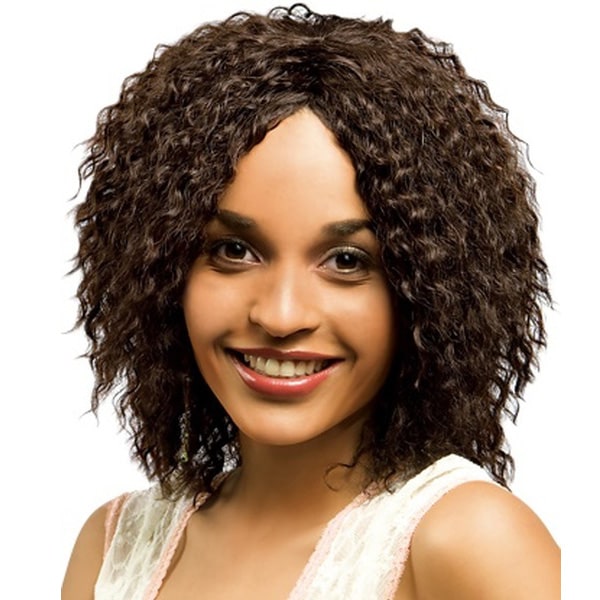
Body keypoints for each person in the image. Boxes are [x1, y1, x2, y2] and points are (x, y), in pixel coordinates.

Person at [62, 4, 560, 599]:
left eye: (346, 261)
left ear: (430, 290)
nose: (280, 315)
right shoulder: (113, 546)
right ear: (161, 270)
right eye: (234, 251)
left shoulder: (469, 542)